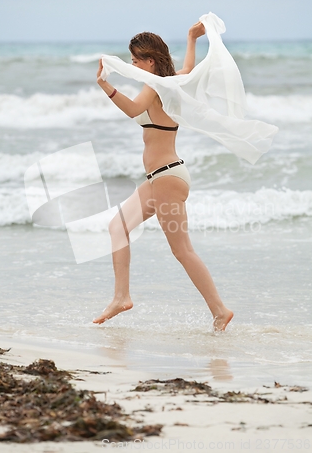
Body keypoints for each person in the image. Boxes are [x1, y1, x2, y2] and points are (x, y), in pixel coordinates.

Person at [93, 21, 234, 331]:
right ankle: (121, 297)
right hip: (160, 178)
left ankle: (220, 310)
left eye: (134, 60)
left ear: (150, 61)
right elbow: (187, 67)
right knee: (118, 227)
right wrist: (191, 38)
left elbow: (132, 110)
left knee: (182, 250)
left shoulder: (155, 86)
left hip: (167, 180)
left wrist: (106, 86)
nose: (132, 65)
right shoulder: (174, 82)